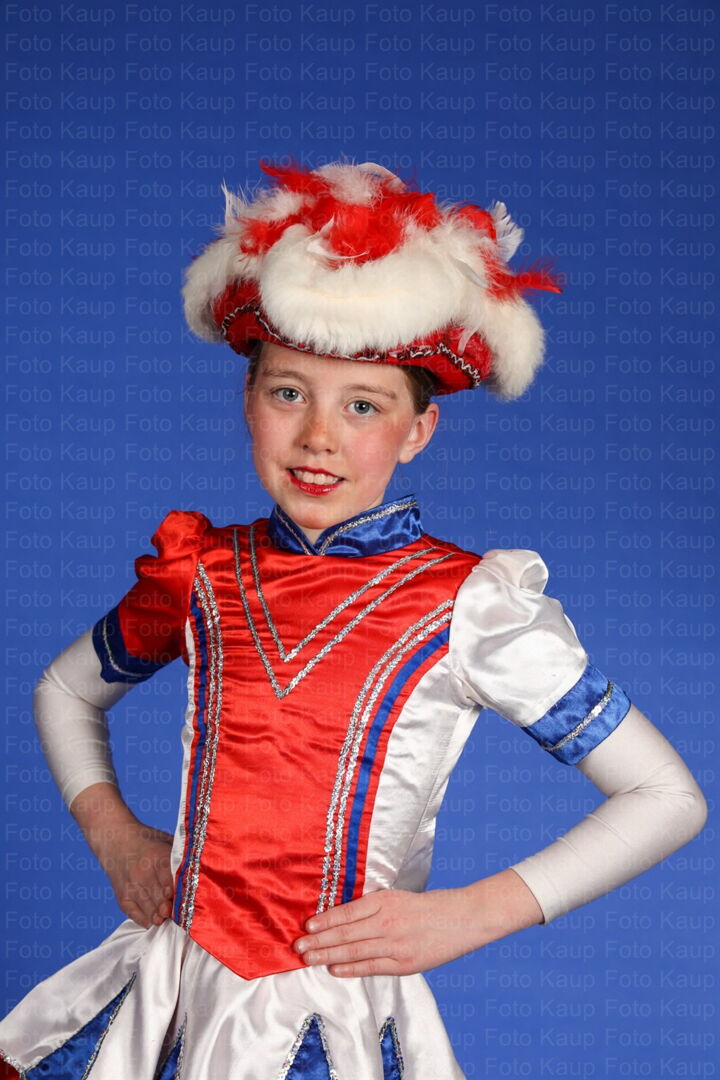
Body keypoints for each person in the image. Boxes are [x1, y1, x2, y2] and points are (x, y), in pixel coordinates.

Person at [0, 159, 708, 1080]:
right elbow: (64, 691)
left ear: (417, 432)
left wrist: (474, 913)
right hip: (168, 996)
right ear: (247, 399)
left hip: (330, 1016)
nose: (319, 437)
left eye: (363, 405)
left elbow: (666, 797)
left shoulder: (468, 605)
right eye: (288, 392)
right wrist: (112, 832)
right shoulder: (201, 575)